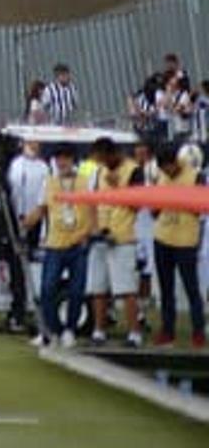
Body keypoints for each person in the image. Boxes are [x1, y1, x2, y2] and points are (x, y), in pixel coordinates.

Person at [32, 143, 92, 348]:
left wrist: (90, 234)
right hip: (55, 242)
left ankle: (70, 330)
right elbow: (40, 209)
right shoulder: (48, 182)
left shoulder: (86, 181)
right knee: (47, 288)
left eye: (66, 158)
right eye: (59, 158)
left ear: (73, 160)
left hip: (78, 242)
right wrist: (24, 225)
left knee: (77, 291)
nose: (62, 162)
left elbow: (95, 209)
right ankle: (50, 331)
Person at [87, 137, 143, 347]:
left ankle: (134, 333)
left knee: (127, 289)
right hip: (100, 236)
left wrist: (118, 186)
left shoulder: (134, 170)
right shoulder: (98, 172)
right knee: (98, 288)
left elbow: (137, 205)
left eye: (102, 158)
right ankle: (99, 331)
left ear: (112, 154)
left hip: (123, 237)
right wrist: (94, 228)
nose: (101, 162)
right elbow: (92, 202)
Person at [151, 141, 205, 348]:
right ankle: (167, 331)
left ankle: (198, 331)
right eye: (163, 168)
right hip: (162, 237)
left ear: (175, 162)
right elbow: (155, 211)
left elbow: (199, 209)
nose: (167, 171)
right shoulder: (160, 177)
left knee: (191, 288)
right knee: (166, 288)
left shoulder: (195, 176)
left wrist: (178, 199)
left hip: (186, 240)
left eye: (169, 167)